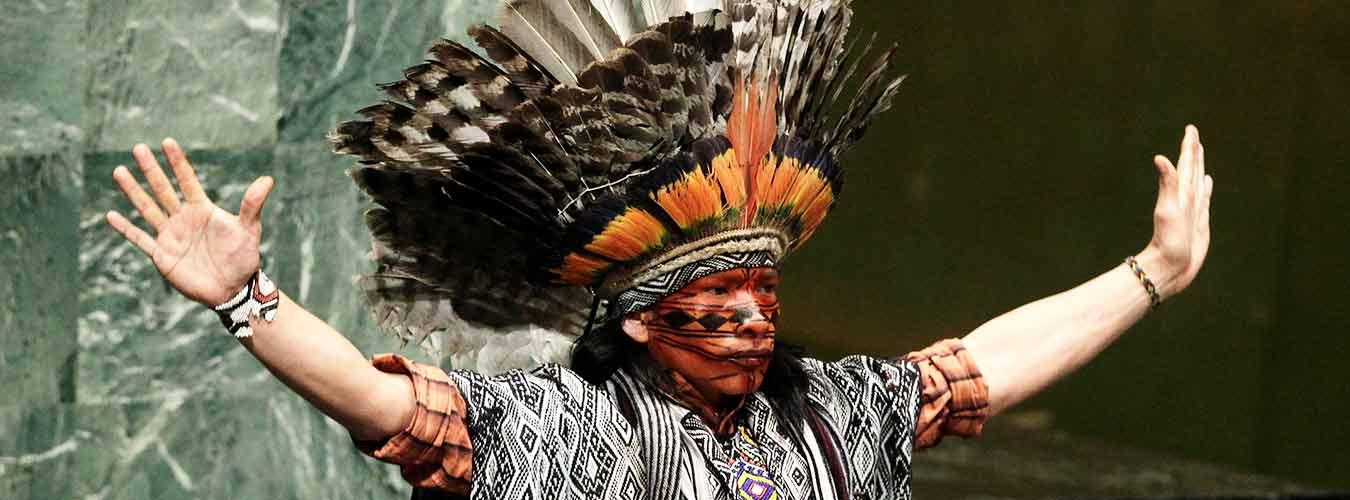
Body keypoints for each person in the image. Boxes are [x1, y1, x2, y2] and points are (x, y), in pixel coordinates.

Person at [102, 1, 1212, 499]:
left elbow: (982, 366)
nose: (753, 314)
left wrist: (1148, 275)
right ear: (640, 317)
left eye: (764, 290)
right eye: (719, 292)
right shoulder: (566, 432)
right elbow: (387, 407)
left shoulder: (833, 408)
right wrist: (247, 298)